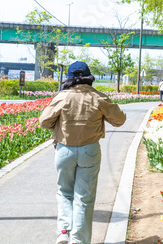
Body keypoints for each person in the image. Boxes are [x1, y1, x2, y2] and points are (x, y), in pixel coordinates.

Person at [39, 61, 127, 244]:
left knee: (64, 192)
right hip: (90, 150)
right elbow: (119, 121)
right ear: (89, 77)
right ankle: (78, 240)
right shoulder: (98, 97)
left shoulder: (62, 97)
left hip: (64, 149)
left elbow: (44, 121)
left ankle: (63, 230)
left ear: (69, 78)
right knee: (84, 198)